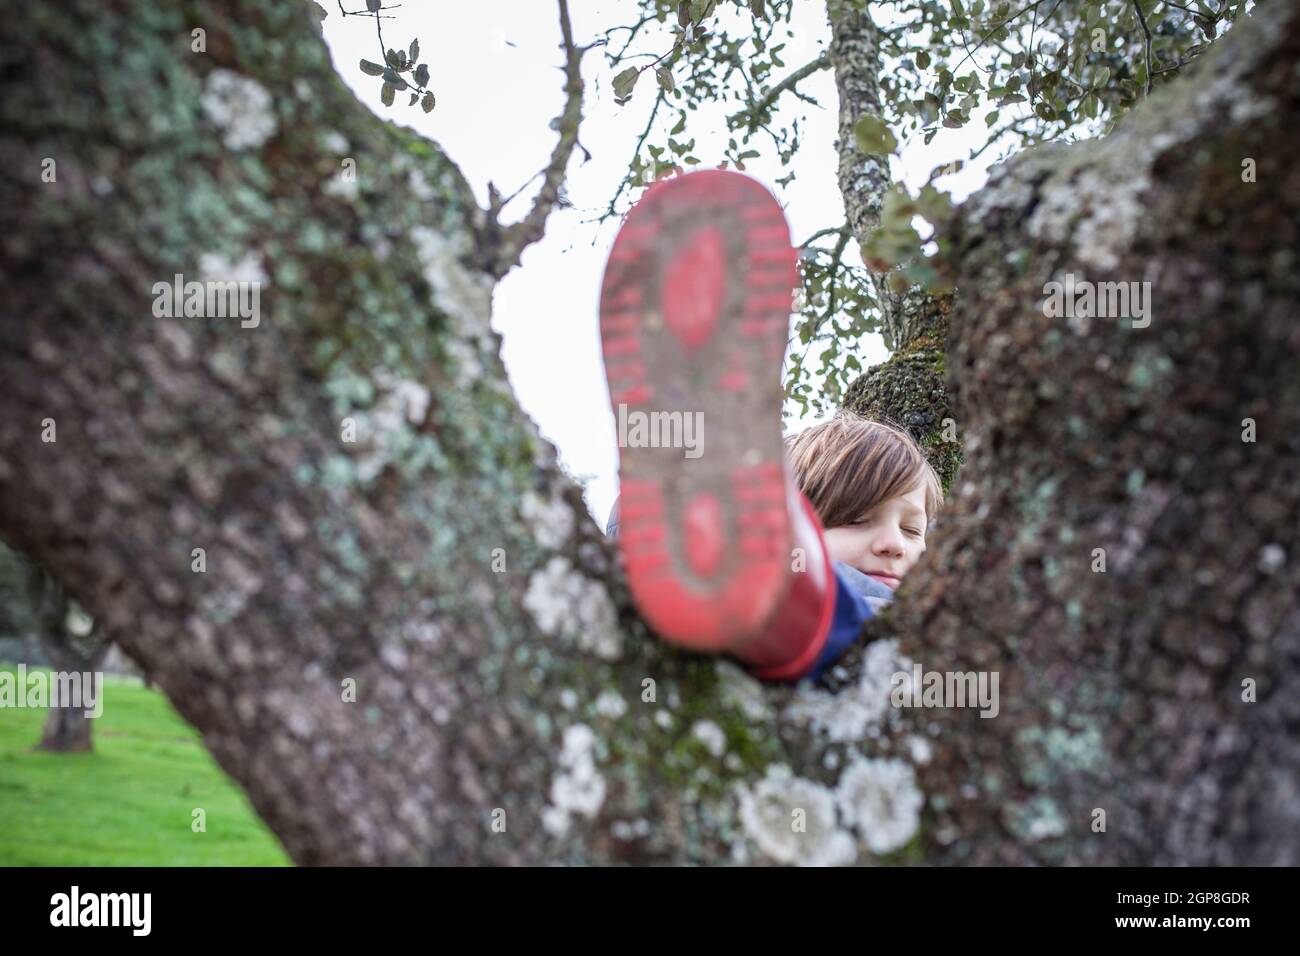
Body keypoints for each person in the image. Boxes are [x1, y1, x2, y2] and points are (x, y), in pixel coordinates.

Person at [599, 169, 941, 682]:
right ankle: (750, 551)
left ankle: (731, 534)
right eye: (856, 519)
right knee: (838, 600)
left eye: (915, 529)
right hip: (809, 621)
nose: (895, 544)